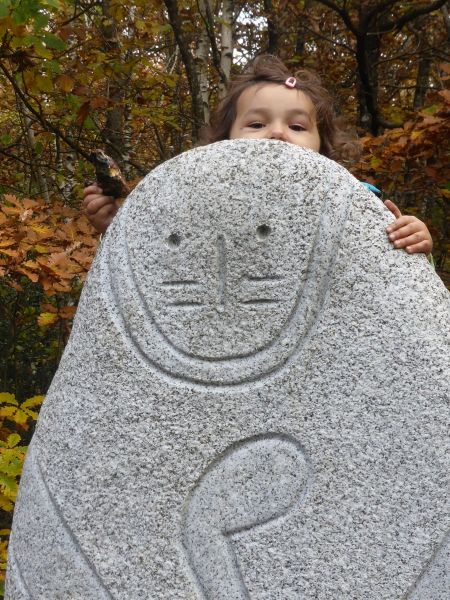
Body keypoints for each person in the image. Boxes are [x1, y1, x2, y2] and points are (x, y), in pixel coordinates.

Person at [83, 55, 433, 254]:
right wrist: (117, 229)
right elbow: (162, 256)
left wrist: (415, 240)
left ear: (323, 148)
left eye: (297, 127)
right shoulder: (196, 203)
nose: (277, 132)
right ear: (225, 141)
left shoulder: (355, 202)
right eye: (256, 124)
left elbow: (393, 282)